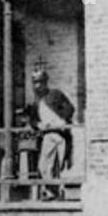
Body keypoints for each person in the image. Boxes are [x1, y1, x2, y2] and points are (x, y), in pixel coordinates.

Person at [28, 68, 75, 200]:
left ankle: (61, 192)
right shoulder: (36, 102)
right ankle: (51, 192)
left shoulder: (56, 94)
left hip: (61, 135)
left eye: (40, 82)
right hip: (48, 135)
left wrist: (62, 120)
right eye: (35, 82)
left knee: (60, 165)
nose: (38, 85)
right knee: (44, 165)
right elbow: (33, 120)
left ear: (46, 82)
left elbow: (70, 108)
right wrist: (38, 125)